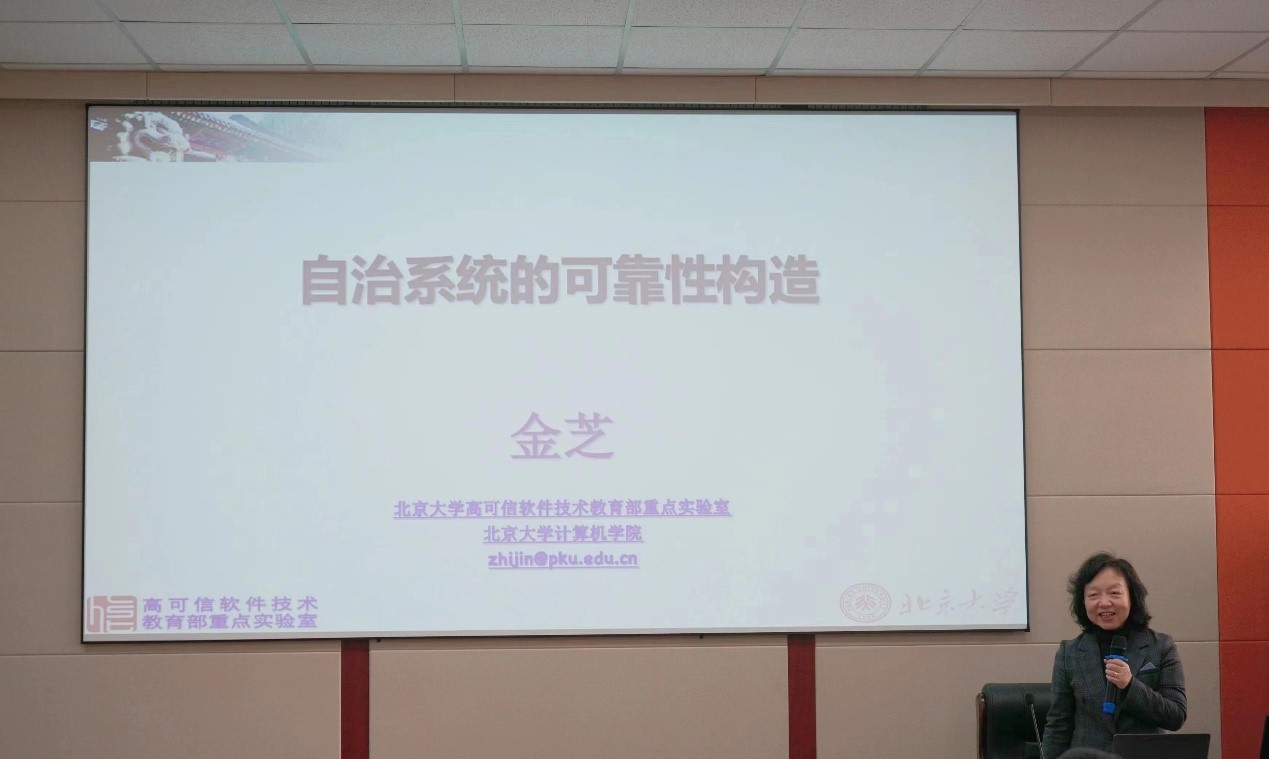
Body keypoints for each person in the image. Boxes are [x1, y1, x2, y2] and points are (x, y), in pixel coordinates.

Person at [1041, 552, 1187, 757]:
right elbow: (1058, 725)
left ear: (1132, 597)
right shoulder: (1070, 653)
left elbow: (1176, 715)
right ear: (1083, 602)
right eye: (1093, 595)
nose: (1104, 602)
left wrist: (1130, 685)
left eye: (1114, 593)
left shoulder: (1160, 646)